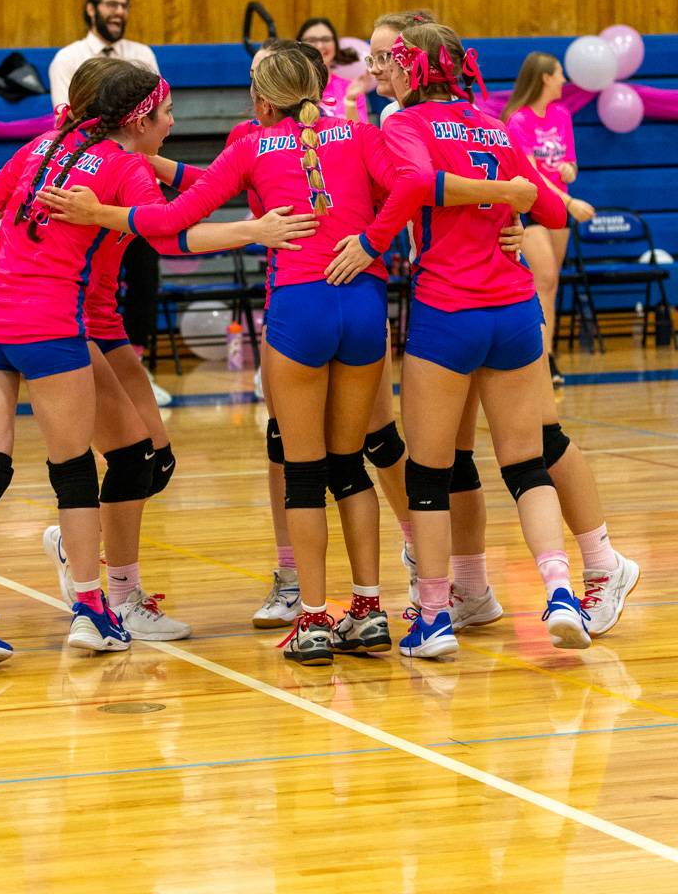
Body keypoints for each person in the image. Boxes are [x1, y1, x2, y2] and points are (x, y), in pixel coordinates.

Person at [39, 49, 536, 665]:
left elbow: (173, 221)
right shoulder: (357, 132)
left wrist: (100, 213)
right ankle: (368, 609)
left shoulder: (251, 144)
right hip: (362, 305)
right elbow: (411, 184)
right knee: (352, 464)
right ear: (320, 87)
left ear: (262, 98)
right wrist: (371, 242)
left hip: (299, 310)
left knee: (302, 472)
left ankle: (313, 619)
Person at [0, 62, 318, 668]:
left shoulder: (43, 145)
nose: (173, 122)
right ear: (139, 117)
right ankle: (96, 606)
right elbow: (166, 232)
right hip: (53, 323)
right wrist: (254, 229)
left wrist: (19, 220)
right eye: (165, 113)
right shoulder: (122, 165)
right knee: (78, 470)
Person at [329, 21, 592, 658]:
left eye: (395, 59)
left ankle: (435, 617)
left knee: (430, 469)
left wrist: (368, 244)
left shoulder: (404, 125)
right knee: (526, 464)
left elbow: (416, 185)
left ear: (416, 70)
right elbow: (551, 208)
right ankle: (560, 589)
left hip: (448, 309)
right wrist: (517, 206)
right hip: (514, 310)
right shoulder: (496, 124)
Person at [49, 0, 170, 407]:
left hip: (134, 176)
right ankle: (82, 364)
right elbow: (71, 119)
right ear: (91, 8)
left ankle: (136, 365)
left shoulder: (142, 55)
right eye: (111, 5)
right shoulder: (68, 58)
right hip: (89, 176)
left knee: (143, 274)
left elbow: (151, 121)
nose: (118, 12)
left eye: (124, 5)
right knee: (94, 276)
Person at [502, 53, 595, 386]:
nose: (564, 81)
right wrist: (570, 202)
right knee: (541, 280)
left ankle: (548, 355)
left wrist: (569, 170)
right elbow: (532, 175)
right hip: (534, 209)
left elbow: (568, 163)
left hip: (560, 209)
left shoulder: (561, 115)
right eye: (559, 75)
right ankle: (536, 358)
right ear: (544, 78)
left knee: (550, 285)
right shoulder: (519, 120)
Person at [297, 16, 372, 123]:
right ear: (300, 46)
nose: (320, 45)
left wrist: (350, 101)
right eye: (311, 40)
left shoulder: (351, 89)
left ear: (335, 45)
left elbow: (362, 135)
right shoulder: (290, 89)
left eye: (326, 39)